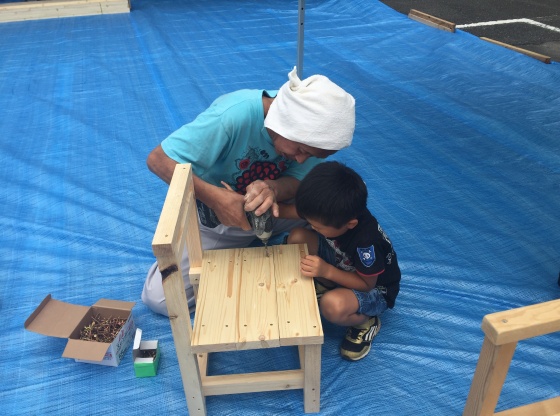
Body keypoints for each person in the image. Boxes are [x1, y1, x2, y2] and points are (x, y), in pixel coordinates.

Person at [142, 67, 356, 316]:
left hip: (278, 209)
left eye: (310, 155)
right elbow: (158, 160)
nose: (300, 160)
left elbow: (299, 179)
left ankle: (357, 282)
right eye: (301, 150)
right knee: (162, 298)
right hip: (223, 218)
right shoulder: (233, 116)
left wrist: (273, 188)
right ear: (286, 121)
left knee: (340, 211)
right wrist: (216, 199)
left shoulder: (313, 131)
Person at [281, 161, 401, 361]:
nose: (313, 228)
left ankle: (365, 322)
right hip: (342, 264)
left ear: (350, 224)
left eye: (318, 227)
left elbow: (366, 284)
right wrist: (266, 209)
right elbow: (292, 212)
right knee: (297, 237)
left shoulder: (366, 243)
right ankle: (326, 285)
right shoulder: (332, 211)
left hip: (373, 289)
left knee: (332, 306)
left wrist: (326, 271)